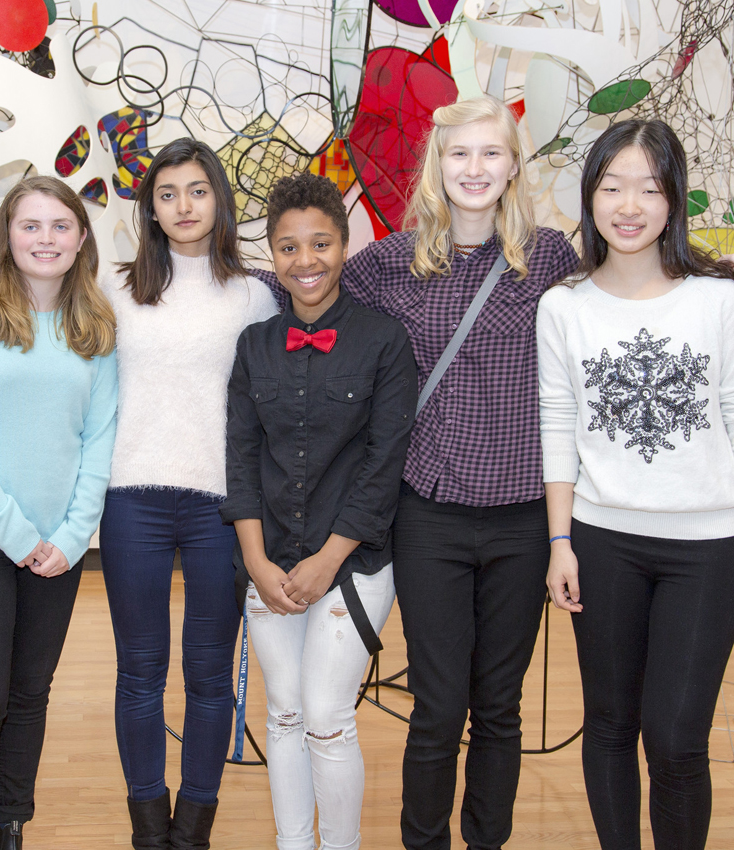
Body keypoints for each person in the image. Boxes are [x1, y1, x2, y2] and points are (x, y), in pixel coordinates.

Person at [253, 95, 578, 849]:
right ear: (438, 164)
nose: (474, 168)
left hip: (522, 515)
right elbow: (305, 285)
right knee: (437, 703)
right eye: (458, 153)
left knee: (499, 704)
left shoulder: (549, 257)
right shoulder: (392, 261)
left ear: (512, 166)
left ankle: (485, 841)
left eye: (489, 153)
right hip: (427, 511)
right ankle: (423, 840)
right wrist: (213, 282)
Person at [538, 119, 734, 850]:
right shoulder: (563, 305)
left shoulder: (718, 299)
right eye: (611, 186)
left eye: (647, 188)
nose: (628, 205)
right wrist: (559, 542)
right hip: (601, 540)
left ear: (672, 199)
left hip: (709, 546)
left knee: (676, 737)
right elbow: (556, 424)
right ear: (588, 196)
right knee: (611, 725)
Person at [222, 172, 415, 850]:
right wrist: (254, 560)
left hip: (354, 562)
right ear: (271, 254)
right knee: (281, 715)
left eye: (320, 244)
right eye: (287, 247)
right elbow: (240, 459)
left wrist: (326, 560)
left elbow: (381, 464)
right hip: (267, 563)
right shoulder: (253, 346)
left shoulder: (384, 341)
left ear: (344, 244)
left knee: (327, 716)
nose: (305, 261)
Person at [0, 175, 118, 850]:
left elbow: (100, 440)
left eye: (60, 226)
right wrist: (15, 533)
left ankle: (11, 826)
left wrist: (70, 536)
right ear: (6, 234)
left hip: (56, 549)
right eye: (30, 225)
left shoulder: (94, 324)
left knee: (29, 695)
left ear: (82, 238)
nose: (45, 238)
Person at [99, 137, 278, 850]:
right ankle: (149, 827)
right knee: (139, 671)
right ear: (149, 207)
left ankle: (192, 830)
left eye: (197, 190)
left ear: (219, 200)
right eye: (167, 193)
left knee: (208, 674)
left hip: (221, 508)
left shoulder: (254, 295)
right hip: (132, 499)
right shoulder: (114, 286)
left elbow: (275, 405)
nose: (182, 205)